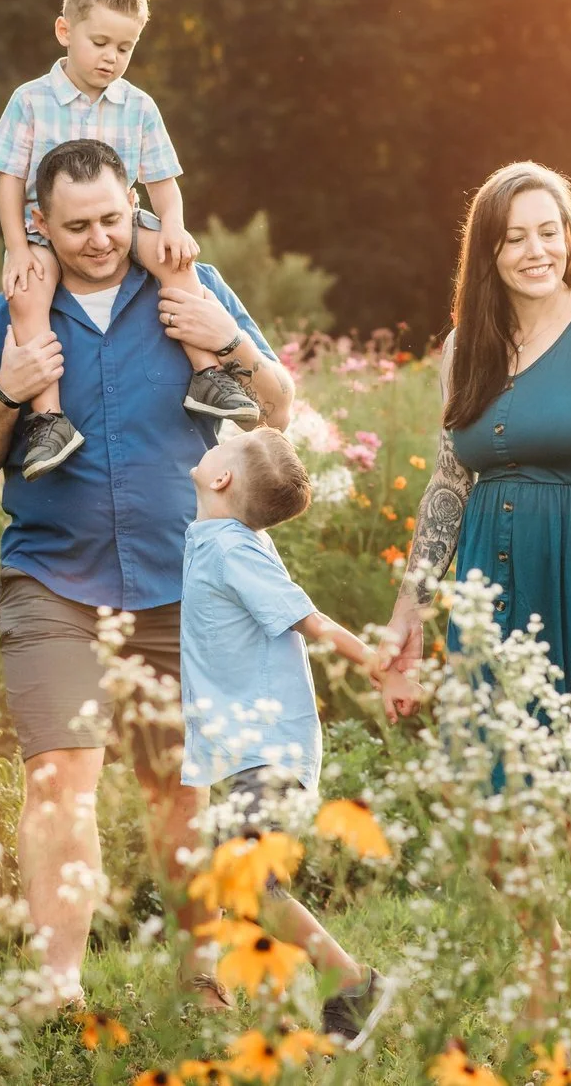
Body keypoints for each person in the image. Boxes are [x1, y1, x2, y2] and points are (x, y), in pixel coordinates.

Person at [0, 137, 295, 1007]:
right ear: (40, 222)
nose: (100, 239)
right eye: (77, 226)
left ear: (133, 199)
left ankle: (200, 971)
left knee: (179, 787)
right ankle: (58, 990)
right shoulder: (2, 320)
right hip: (54, 582)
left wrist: (227, 342)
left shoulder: (189, 286)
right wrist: (9, 391)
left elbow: (278, 408)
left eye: (111, 218)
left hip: (182, 584)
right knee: (58, 777)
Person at [377, 159, 571, 1028]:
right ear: (488, 252)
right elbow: (448, 481)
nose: (536, 250)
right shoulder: (463, 347)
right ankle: (544, 972)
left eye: (550, 231)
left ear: (570, 237)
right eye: (515, 237)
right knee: (492, 803)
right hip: (486, 590)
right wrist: (408, 614)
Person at [0, 0, 259, 481]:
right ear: (65, 31)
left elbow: (163, 183)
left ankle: (206, 374)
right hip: (46, 231)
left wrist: (173, 225)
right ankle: (49, 418)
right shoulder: (31, 101)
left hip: (122, 225)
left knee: (176, 260)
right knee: (27, 293)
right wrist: (17, 248)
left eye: (125, 48)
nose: (112, 57)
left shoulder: (138, 107)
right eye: (100, 42)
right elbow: (10, 182)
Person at [180, 424, 416, 1038]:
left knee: (246, 882)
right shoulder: (221, 534)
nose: (213, 440)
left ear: (222, 478)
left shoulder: (234, 549)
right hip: (253, 749)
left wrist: (379, 667)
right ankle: (332, 986)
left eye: (221, 448)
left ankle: (350, 980)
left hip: (271, 749)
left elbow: (312, 621)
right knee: (243, 882)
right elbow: (237, 437)